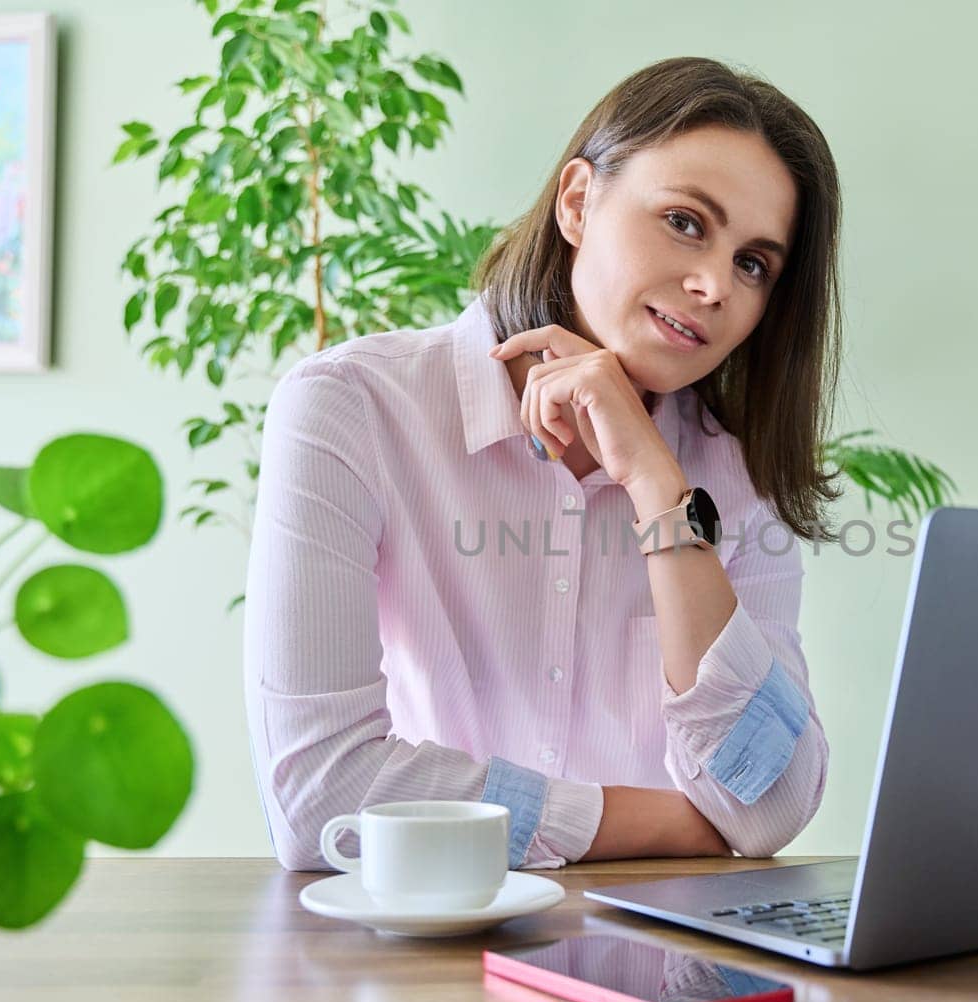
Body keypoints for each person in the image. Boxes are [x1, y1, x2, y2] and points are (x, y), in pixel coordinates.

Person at [243, 56, 843, 872]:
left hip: (669, 972)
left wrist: (660, 492)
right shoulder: (353, 408)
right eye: (686, 221)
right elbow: (322, 796)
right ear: (577, 201)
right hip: (434, 962)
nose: (713, 285)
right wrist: (664, 825)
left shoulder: (741, 476)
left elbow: (770, 807)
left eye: (753, 264)